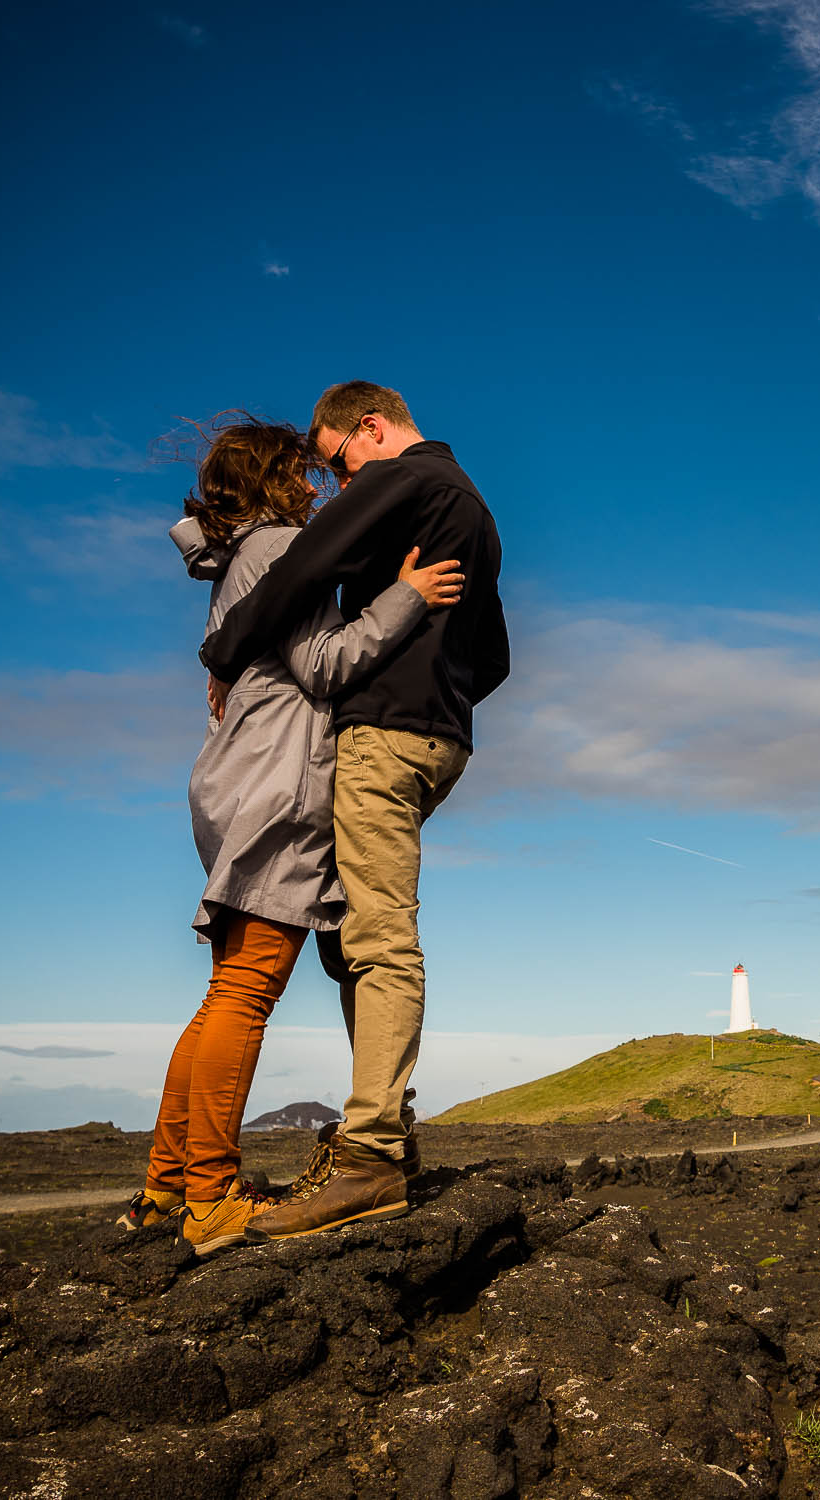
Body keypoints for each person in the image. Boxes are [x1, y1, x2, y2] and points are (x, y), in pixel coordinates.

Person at [116, 414, 463, 1255]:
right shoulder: (274, 548)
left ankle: (165, 1187)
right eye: (304, 475)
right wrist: (407, 597)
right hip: (277, 786)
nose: (317, 489)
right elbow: (327, 665)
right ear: (276, 478)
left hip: (235, 782)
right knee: (248, 989)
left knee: (223, 992)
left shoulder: (237, 557)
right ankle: (210, 1201)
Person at [199, 380, 508, 1242]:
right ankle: (386, 1132)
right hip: (443, 739)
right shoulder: (474, 511)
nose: (334, 487)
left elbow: (298, 567)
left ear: (369, 429)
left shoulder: (402, 479)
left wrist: (220, 650)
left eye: (336, 464)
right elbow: (497, 656)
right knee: (349, 939)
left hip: (382, 737)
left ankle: (370, 1158)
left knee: (376, 939)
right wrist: (441, 693)